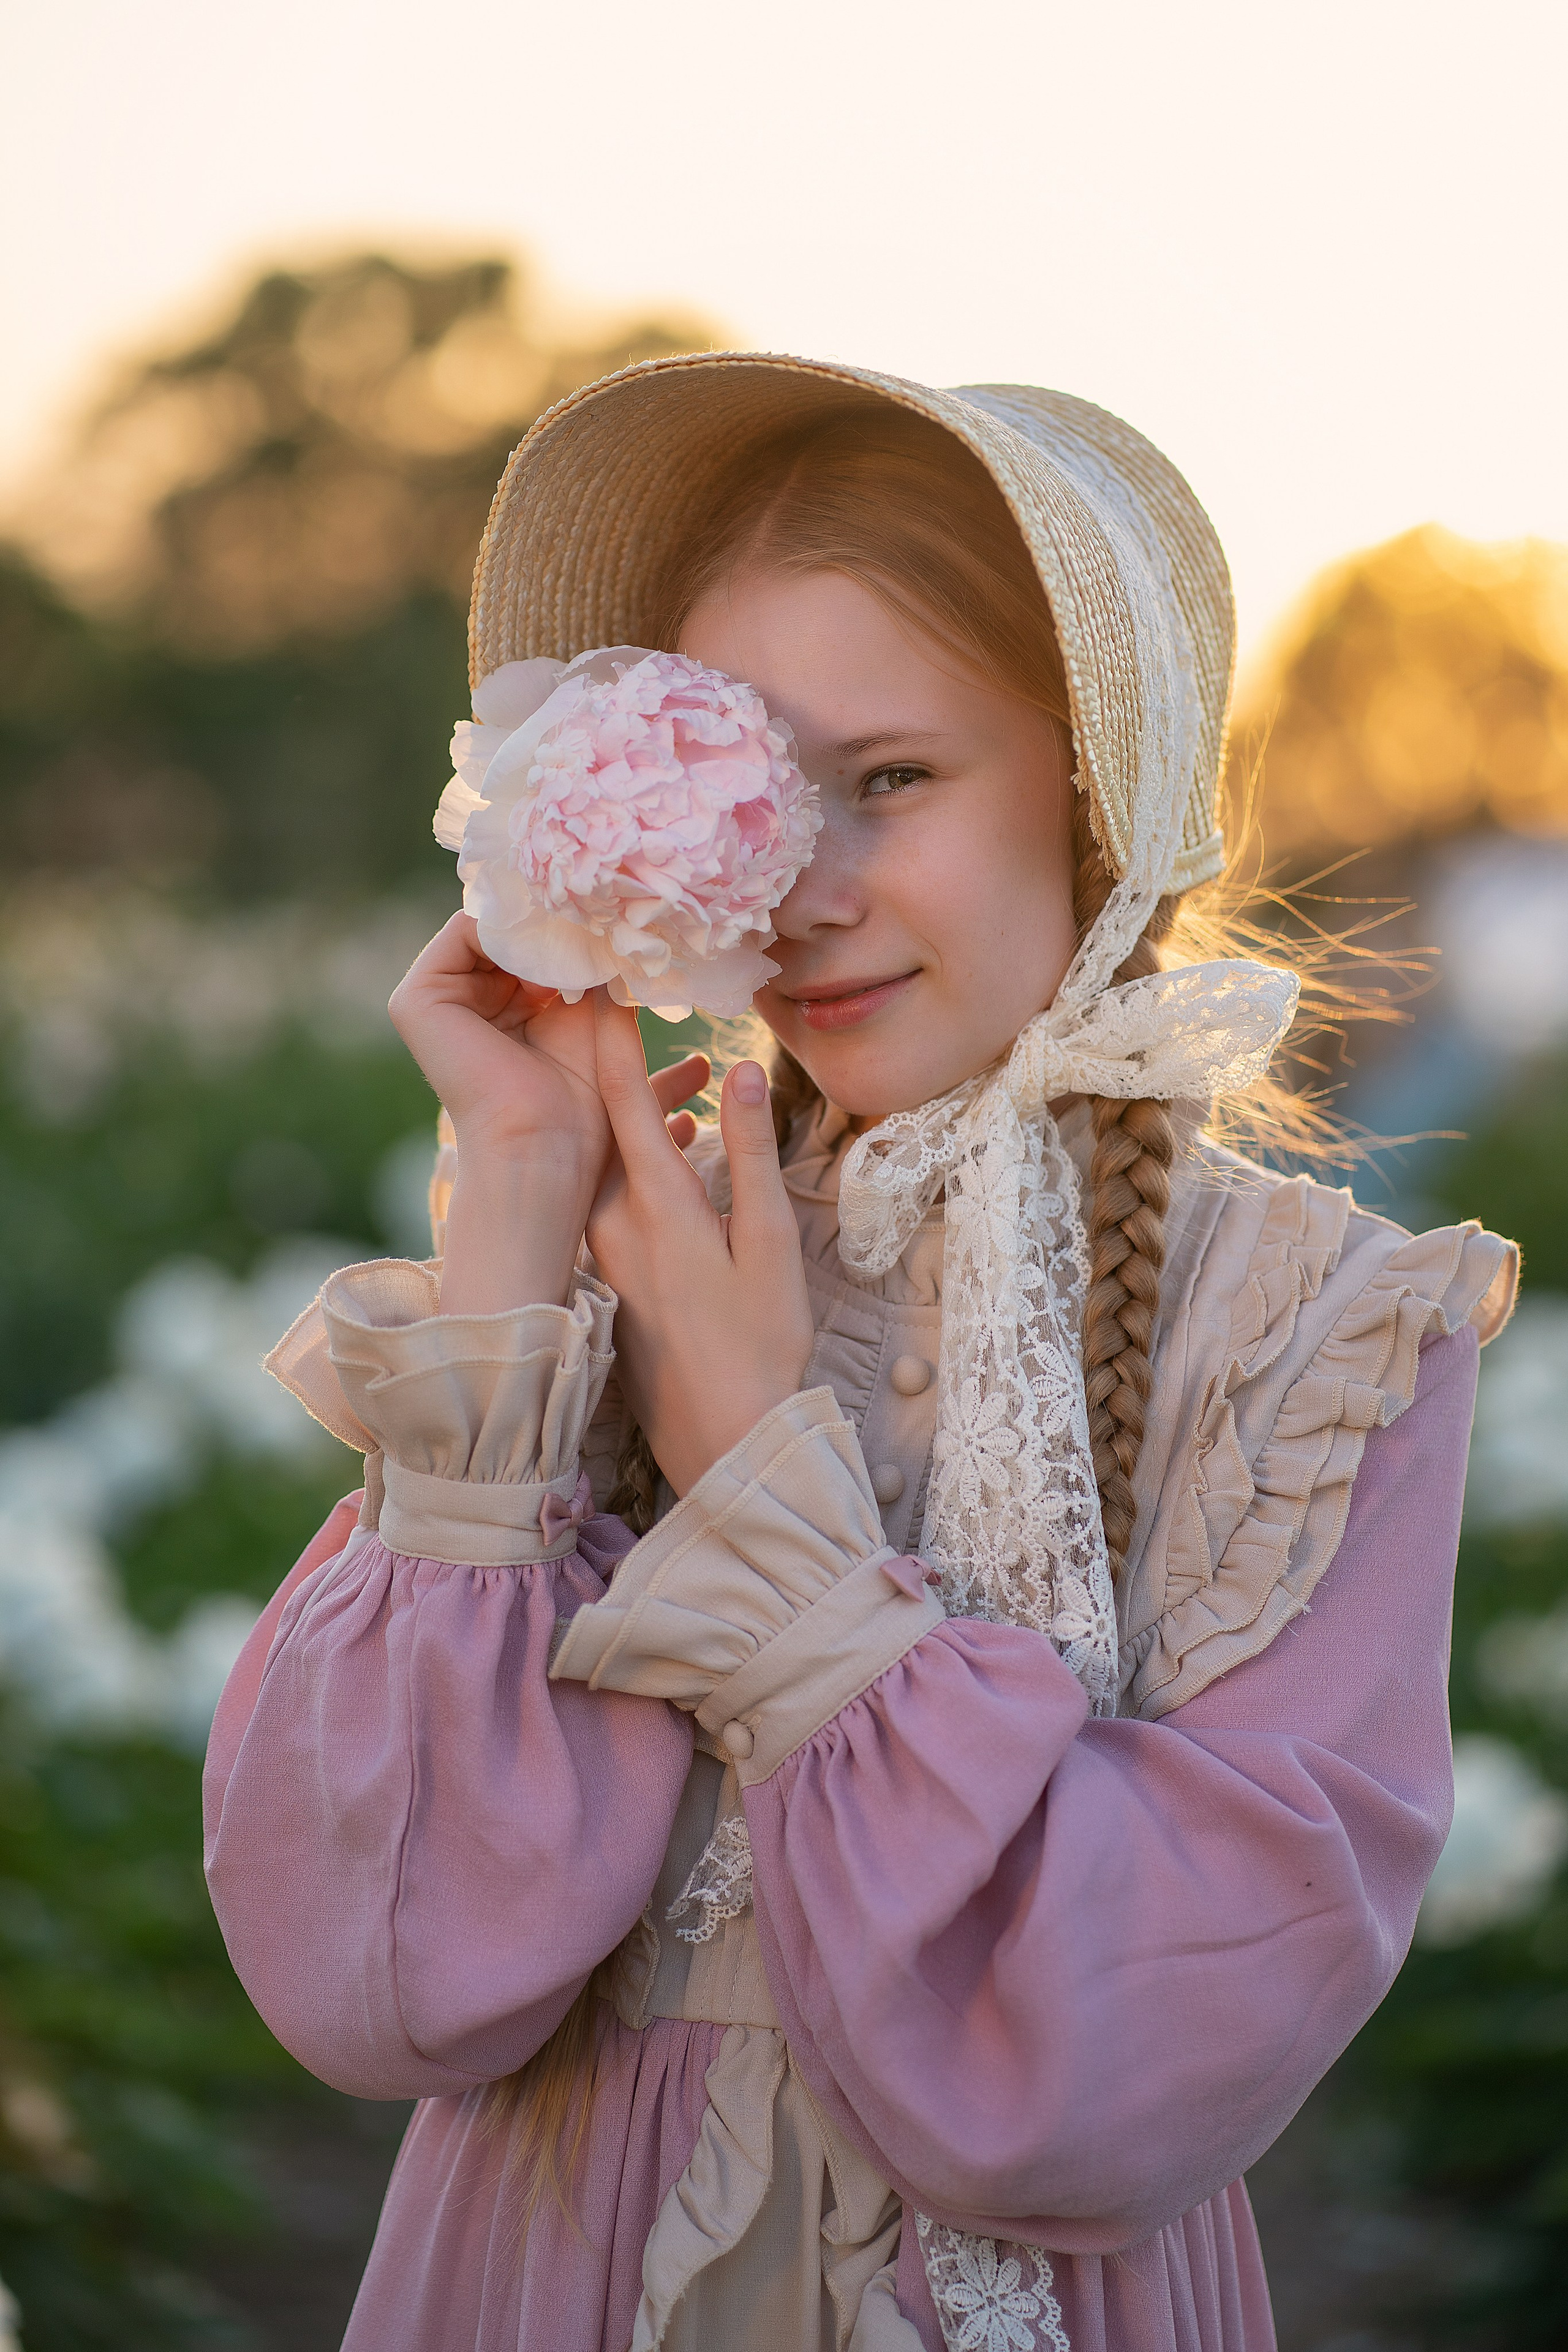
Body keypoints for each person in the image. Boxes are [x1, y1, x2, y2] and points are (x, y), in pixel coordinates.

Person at [203, 358, 1518, 2352]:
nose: (801, 888)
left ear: (1098, 795)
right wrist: (519, 1211)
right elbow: (387, 1984)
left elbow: (1114, 2075)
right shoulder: (611, 1263)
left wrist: (760, 1490)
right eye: (746, 788)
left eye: (890, 778)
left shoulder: (1316, 1339)